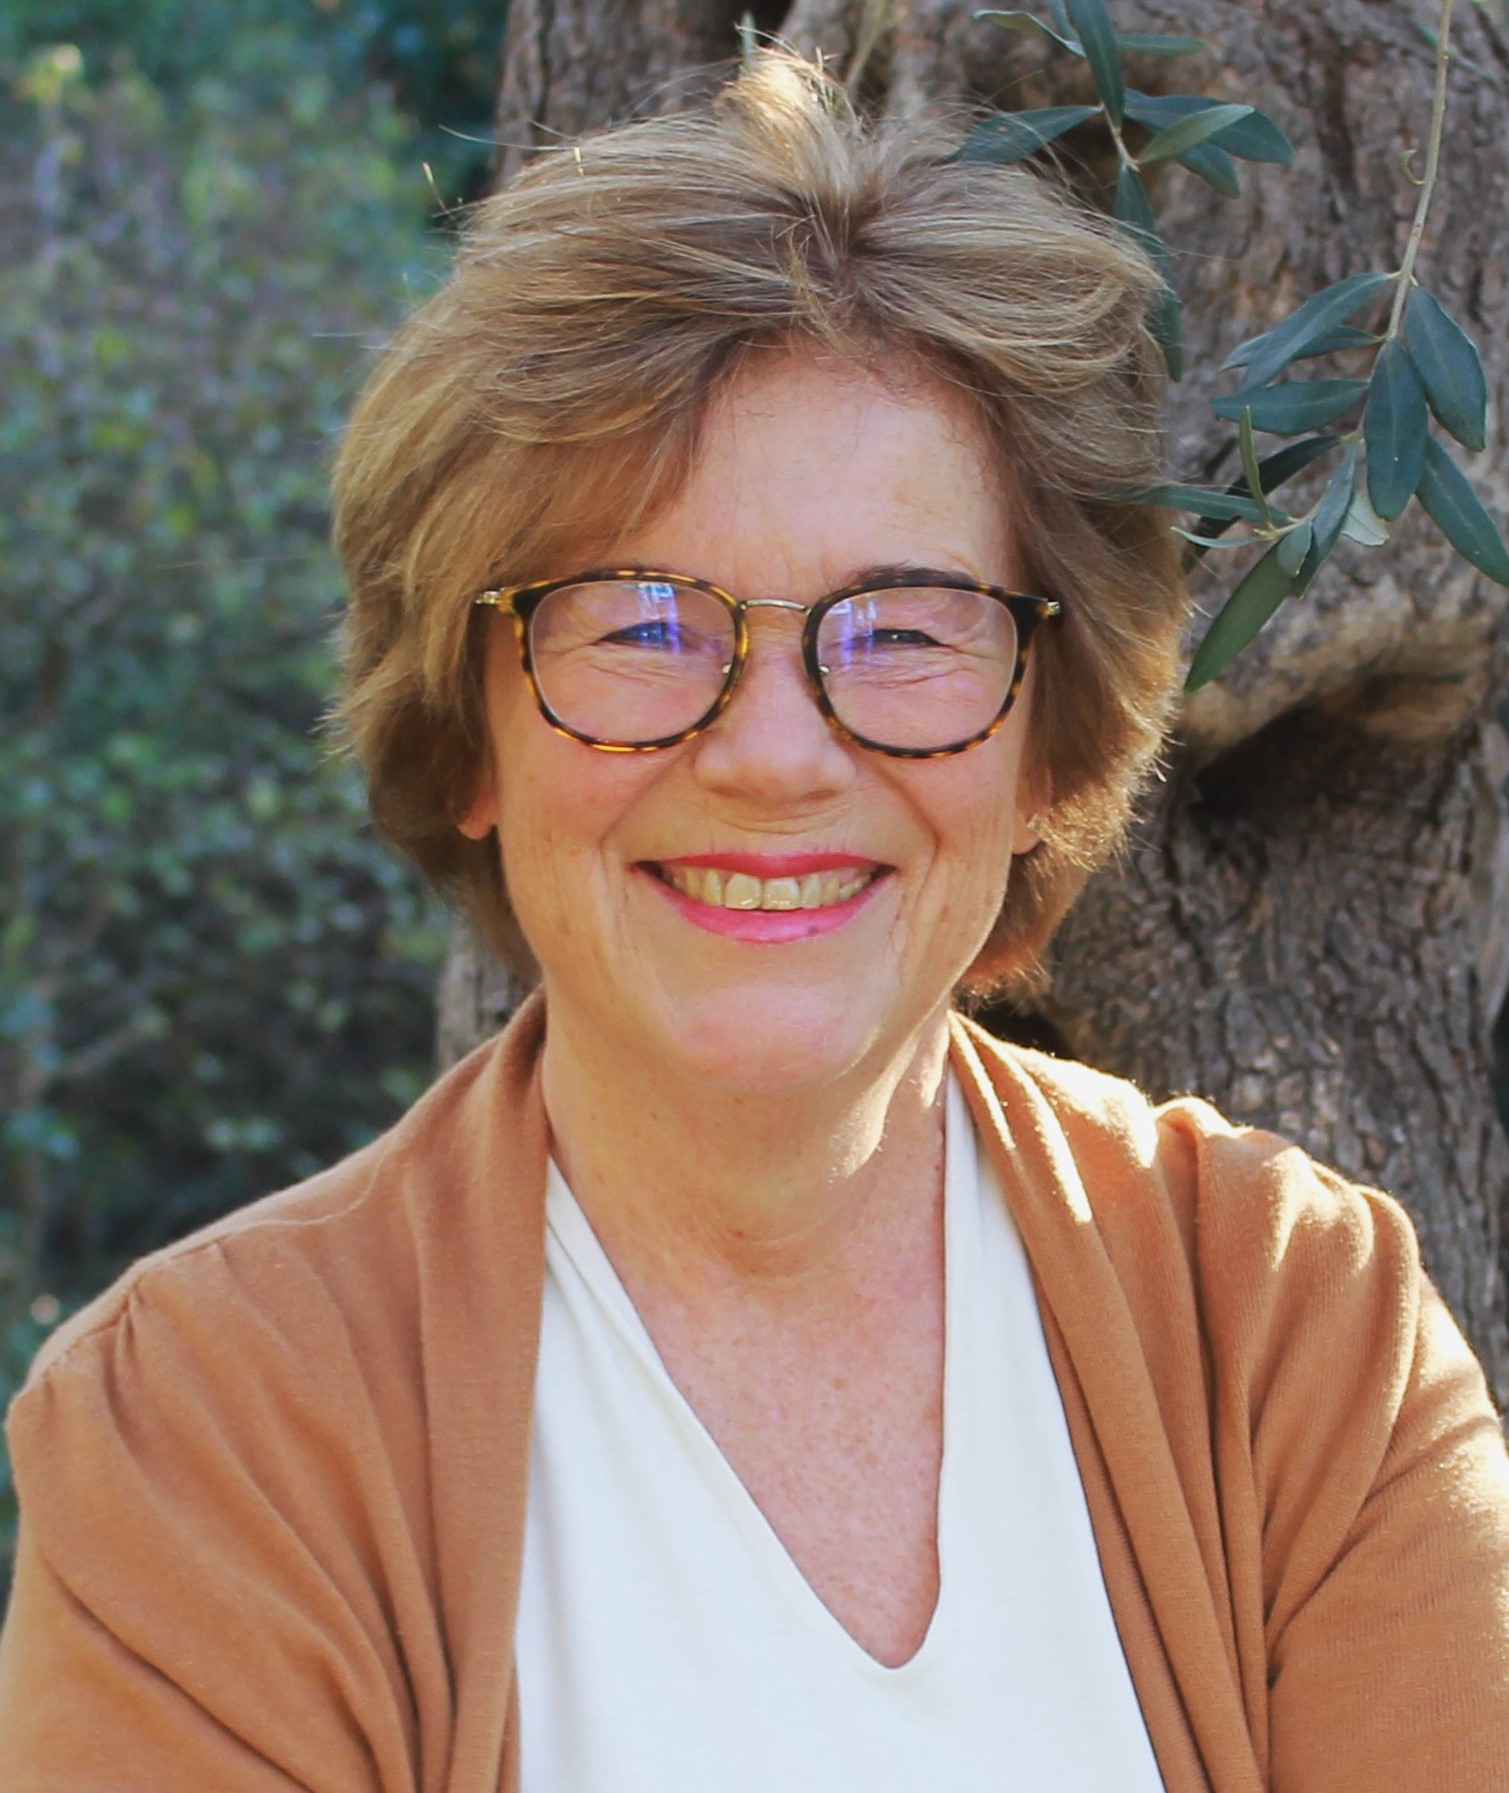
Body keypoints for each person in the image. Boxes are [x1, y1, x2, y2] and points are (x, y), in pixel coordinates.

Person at [2, 50, 1507, 1792]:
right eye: (639, 623)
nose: (775, 756)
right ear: (467, 733)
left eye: (905, 625)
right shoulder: (206, 1431)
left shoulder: (1293, 1327)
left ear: (1047, 749)